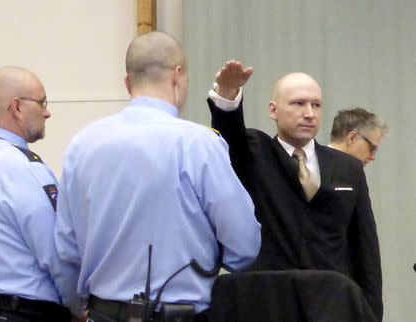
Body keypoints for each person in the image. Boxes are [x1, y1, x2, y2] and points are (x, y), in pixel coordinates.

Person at [54, 32, 261, 322]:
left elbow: (65, 248)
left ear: (127, 82)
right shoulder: (199, 144)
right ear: (178, 76)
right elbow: (244, 246)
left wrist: (79, 307)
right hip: (180, 314)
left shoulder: (81, 145)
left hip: (102, 313)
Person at [207, 61, 383, 321]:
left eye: (316, 105)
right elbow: (229, 132)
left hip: (331, 306)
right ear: (273, 110)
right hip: (268, 304)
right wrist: (227, 94)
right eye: (298, 103)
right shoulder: (255, 152)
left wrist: (371, 312)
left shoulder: (349, 169)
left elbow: (365, 250)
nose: (309, 113)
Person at [0, 66, 84, 322]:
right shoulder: (23, 167)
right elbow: (57, 254)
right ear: (17, 107)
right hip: (23, 313)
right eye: (42, 102)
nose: (47, 112)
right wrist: (79, 308)